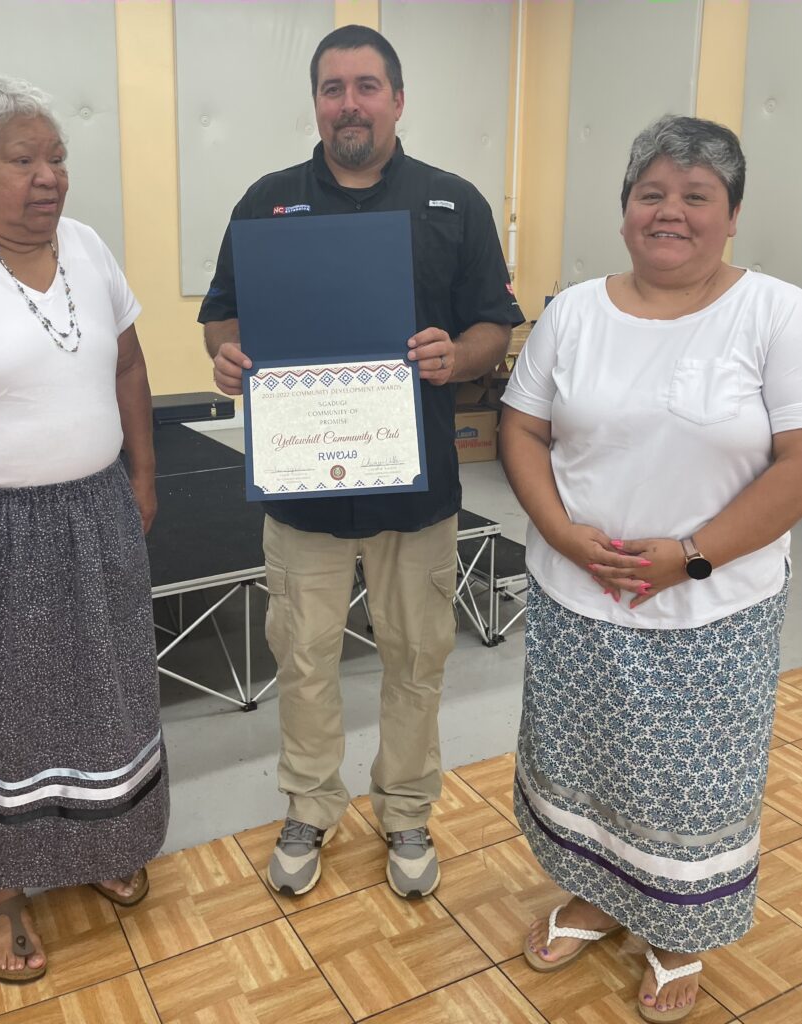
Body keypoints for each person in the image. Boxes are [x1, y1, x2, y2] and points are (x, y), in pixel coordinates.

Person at [201, 25, 523, 900]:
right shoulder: (264, 203)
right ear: (315, 102)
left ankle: (407, 809)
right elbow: (221, 317)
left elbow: (494, 319)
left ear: (397, 98)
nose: (350, 103)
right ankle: (310, 804)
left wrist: (460, 356)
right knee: (302, 657)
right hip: (304, 490)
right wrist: (226, 358)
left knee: (417, 658)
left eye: (367, 86)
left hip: (416, 491)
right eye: (333, 87)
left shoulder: (453, 203)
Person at [499, 114, 802, 1022]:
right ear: (625, 209)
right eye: (650, 194)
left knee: (685, 782)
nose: (669, 212)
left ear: (731, 214)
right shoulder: (574, 311)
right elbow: (521, 426)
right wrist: (555, 530)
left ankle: (676, 935)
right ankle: (599, 898)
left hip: (712, 615)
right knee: (588, 763)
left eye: (695, 196)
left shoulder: (774, 312)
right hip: (576, 602)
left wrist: (692, 556)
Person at [0, 74, 168, 983]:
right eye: (23, 159)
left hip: (90, 517)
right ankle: (0, 891)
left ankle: (96, 848)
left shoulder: (85, 247)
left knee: (101, 695)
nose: (49, 176)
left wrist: (142, 475)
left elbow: (129, 364)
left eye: (56, 157)